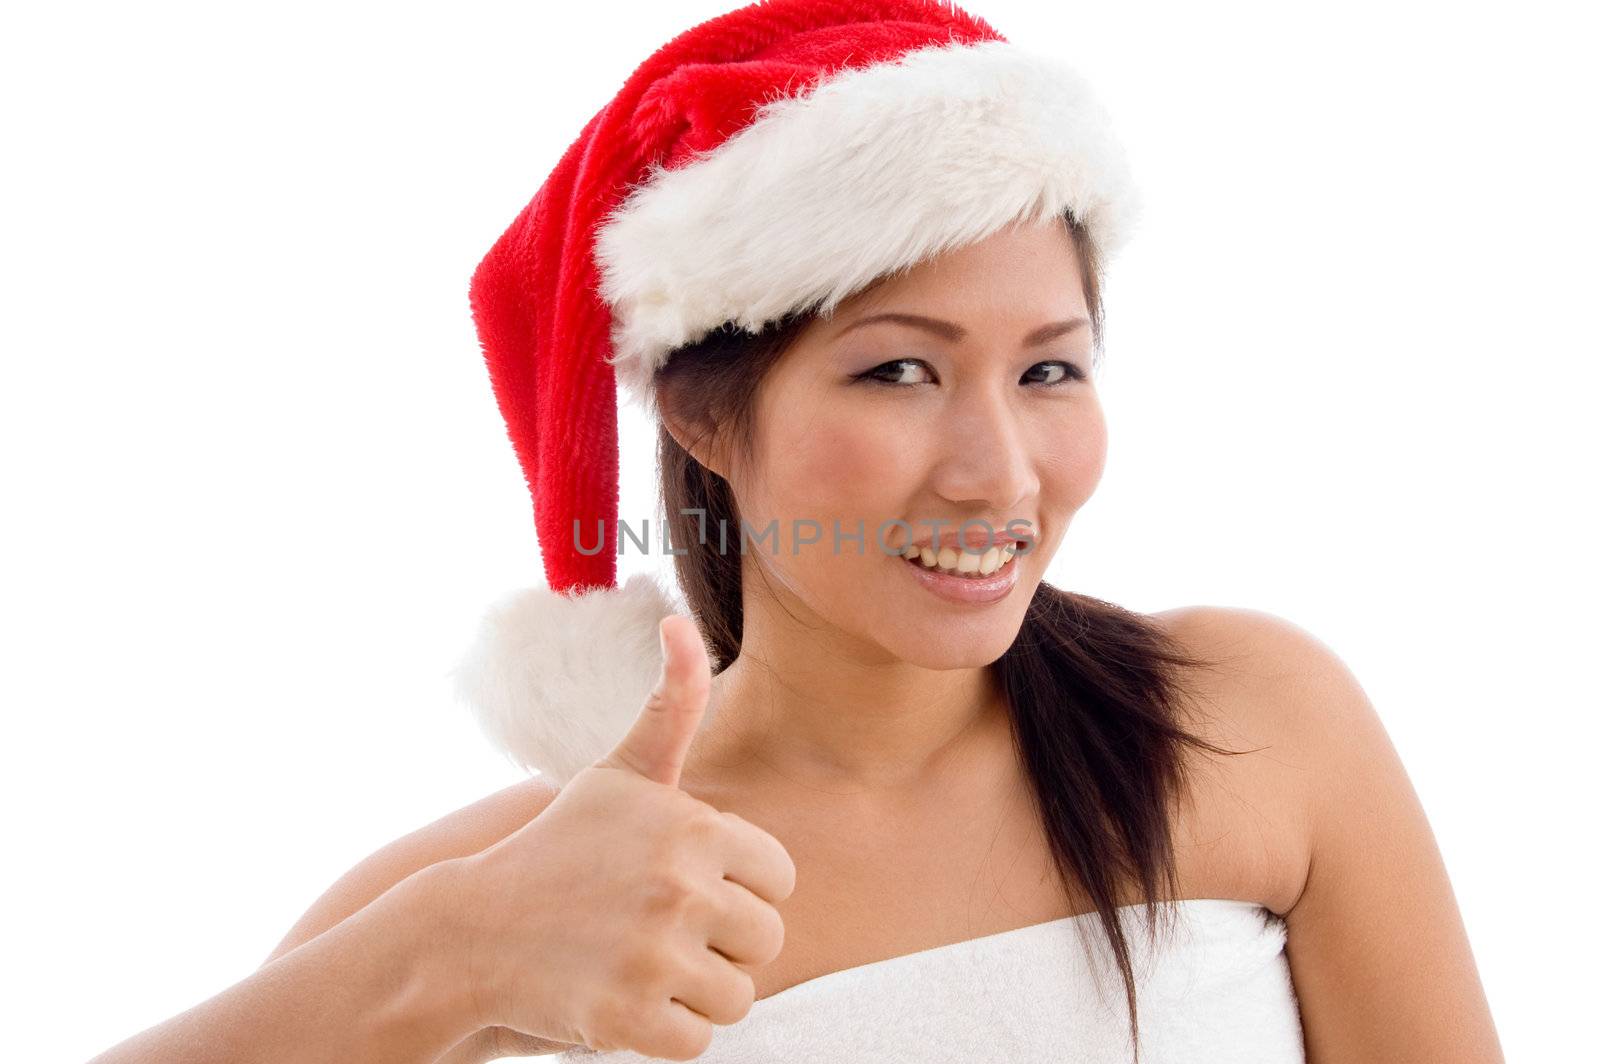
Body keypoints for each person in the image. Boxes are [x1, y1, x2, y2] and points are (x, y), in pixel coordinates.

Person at [87, 2, 1505, 1062]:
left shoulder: (1246, 727)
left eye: (1049, 368)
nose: (995, 470)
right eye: (898, 370)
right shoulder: (533, 882)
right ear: (704, 416)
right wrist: (449, 953)